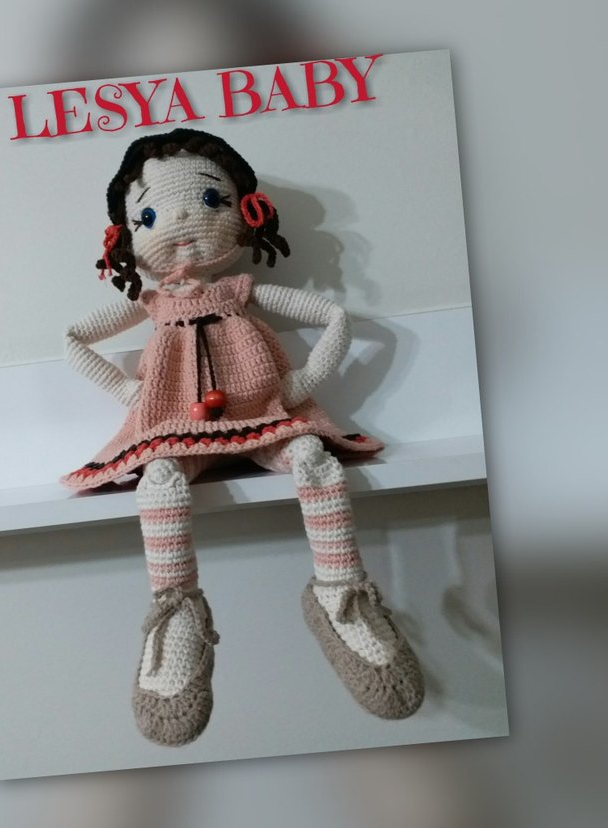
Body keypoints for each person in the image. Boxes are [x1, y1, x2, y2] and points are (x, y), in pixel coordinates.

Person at [63, 128, 423, 747]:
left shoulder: (241, 290)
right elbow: (72, 339)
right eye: (149, 215)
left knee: (311, 455)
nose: (181, 222)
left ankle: (341, 592)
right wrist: (128, 393)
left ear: (246, 212)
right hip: (177, 431)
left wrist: (302, 381)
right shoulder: (148, 300)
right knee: (160, 477)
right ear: (127, 236)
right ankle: (175, 610)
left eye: (209, 200)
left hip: (264, 416)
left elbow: (334, 316)